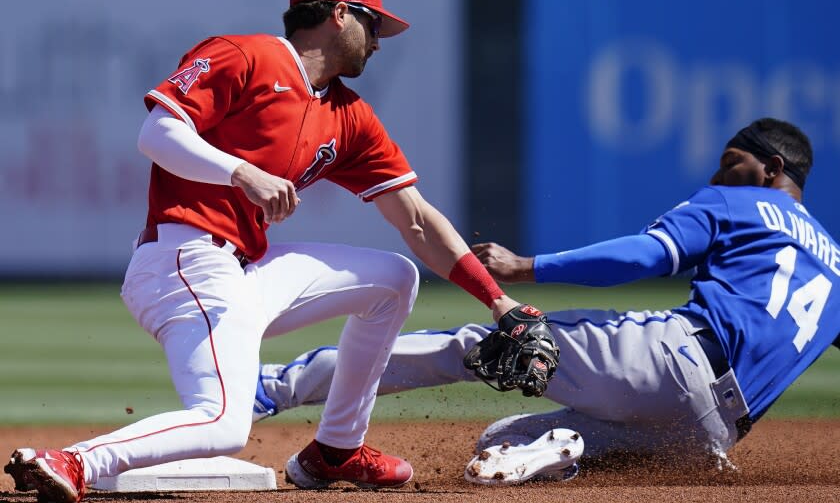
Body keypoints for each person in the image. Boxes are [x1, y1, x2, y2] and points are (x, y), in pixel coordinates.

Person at [4, 0, 554, 502]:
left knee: (394, 279)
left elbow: (415, 218)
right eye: (373, 22)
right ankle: (74, 461)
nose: (380, 39)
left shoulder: (348, 115)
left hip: (247, 268)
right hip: (183, 260)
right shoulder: (246, 55)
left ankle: (337, 449)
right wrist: (241, 172)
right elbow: (158, 132)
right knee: (224, 424)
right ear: (339, 12)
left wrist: (496, 300)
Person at [252, 118, 840, 482]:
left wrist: (525, 267)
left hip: (671, 361)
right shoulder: (835, 266)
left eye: (732, 161)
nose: (719, 171)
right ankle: (559, 450)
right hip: (707, 435)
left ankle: (273, 386)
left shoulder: (737, 201)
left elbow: (646, 257)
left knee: (485, 345)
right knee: (500, 444)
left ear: (772, 167)